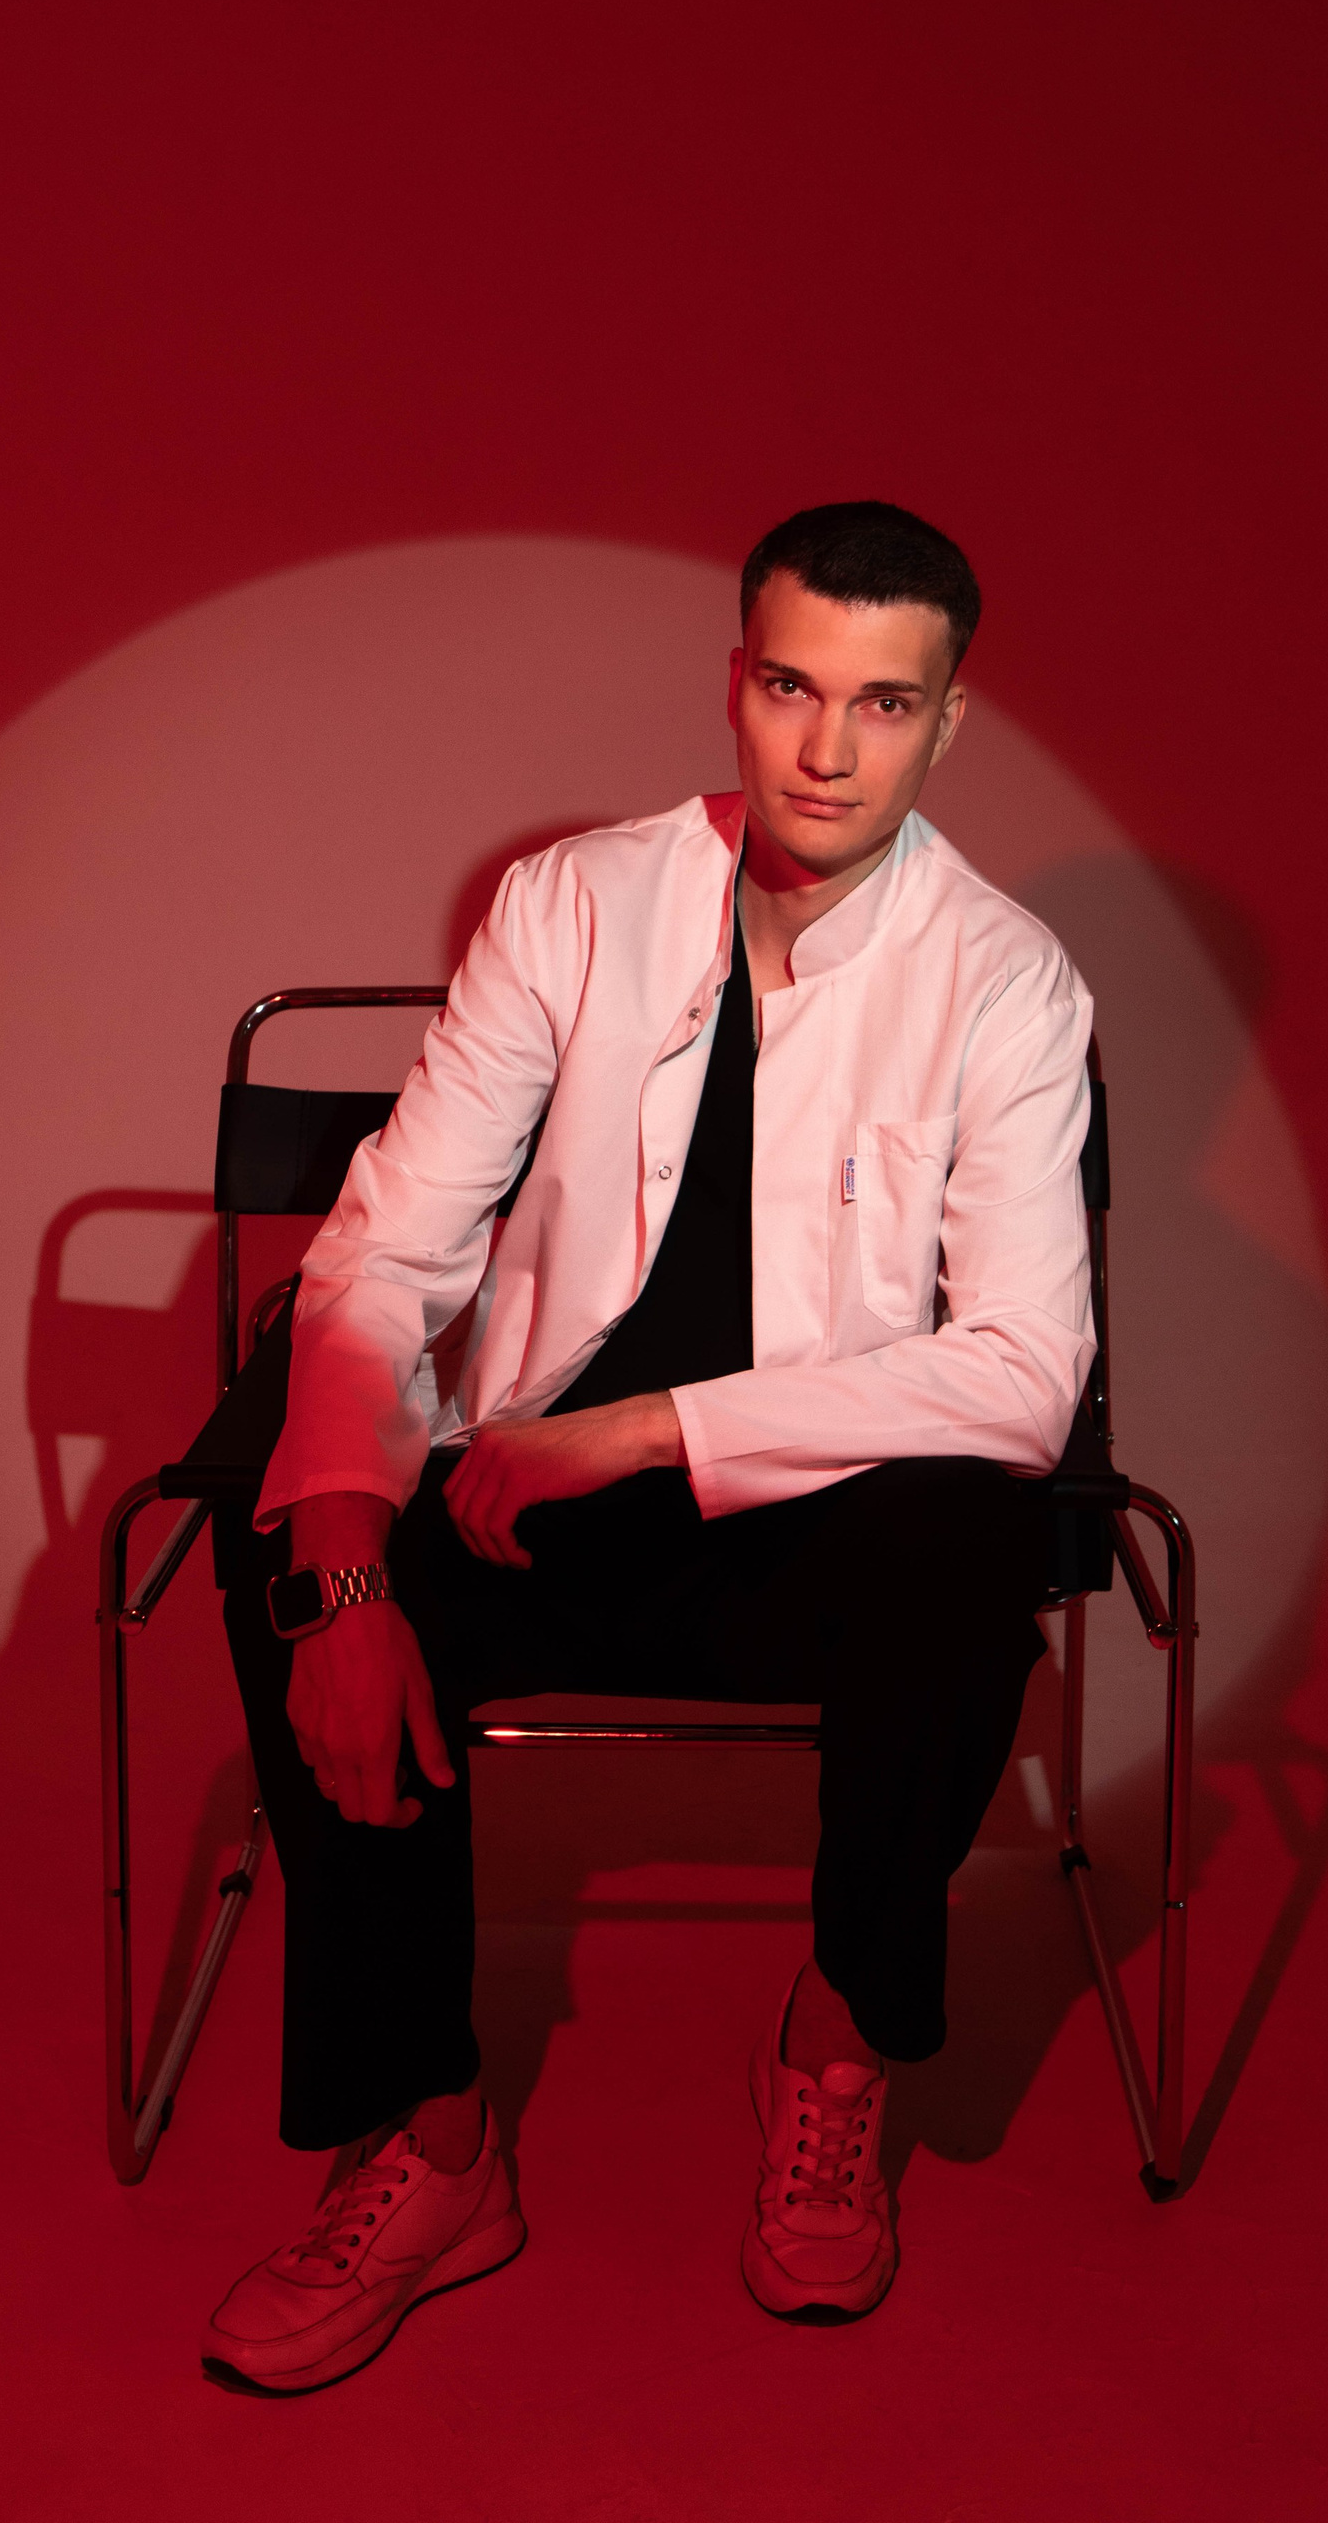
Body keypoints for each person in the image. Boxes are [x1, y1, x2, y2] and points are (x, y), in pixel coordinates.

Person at [203, 501, 1095, 2395]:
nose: (830, 749)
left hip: (817, 1539)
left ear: (949, 722)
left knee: (971, 1549)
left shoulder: (1006, 979)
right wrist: (347, 1583)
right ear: (737, 686)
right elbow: (386, 1252)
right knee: (288, 1512)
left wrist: (640, 1432)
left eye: (885, 703)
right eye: (793, 688)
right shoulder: (576, 904)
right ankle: (436, 2141)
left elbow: (1026, 1373)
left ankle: (837, 2041)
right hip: (527, 1515)